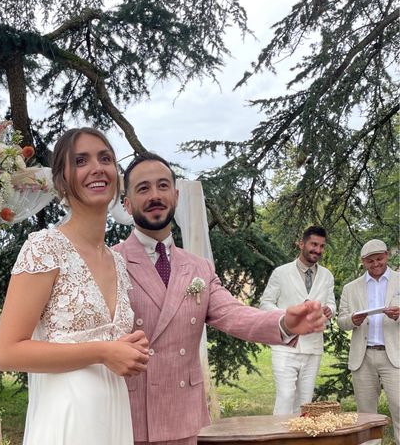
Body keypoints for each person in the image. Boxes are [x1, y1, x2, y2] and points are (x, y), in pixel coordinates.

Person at [113, 152, 327, 445]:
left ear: (175, 196)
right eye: (143, 188)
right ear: (127, 203)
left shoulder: (198, 267)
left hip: (185, 415)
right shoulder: (111, 261)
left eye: (163, 186)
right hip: (129, 414)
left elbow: (234, 314)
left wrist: (284, 322)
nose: (155, 195)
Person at [0, 128, 149, 445]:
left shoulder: (116, 262)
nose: (97, 168)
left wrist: (128, 348)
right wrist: (104, 351)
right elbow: (7, 353)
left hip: (114, 417)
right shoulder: (44, 247)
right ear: (62, 180)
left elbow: (107, 345)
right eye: (81, 161)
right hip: (67, 419)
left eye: (105, 158)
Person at [259, 226, 336, 415]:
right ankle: (279, 439)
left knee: (305, 402)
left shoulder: (327, 275)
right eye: (314, 244)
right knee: (285, 397)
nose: (318, 250)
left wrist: (329, 310)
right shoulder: (281, 273)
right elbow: (265, 304)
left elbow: (332, 304)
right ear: (302, 244)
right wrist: (290, 316)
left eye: (322, 246)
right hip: (285, 347)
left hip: (313, 347)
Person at [337, 239, 399, 444]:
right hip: (362, 358)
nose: (375, 264)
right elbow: (341, 321)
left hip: (395, 357)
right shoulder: (350, 288)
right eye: (370, 261)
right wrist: (352, 320)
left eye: (379, 259)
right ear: (363, 262)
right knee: (365, 416)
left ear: (387, 255)